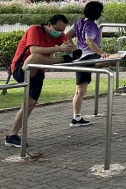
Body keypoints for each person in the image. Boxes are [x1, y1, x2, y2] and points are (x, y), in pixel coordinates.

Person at [5, 14, 74, 147]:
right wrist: (58, 50)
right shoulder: (34, 30)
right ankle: (61, 60)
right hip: (22, 68)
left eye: (62, 30)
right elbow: (34, 50)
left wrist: (70, 46)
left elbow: (69, 46)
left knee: (30, 103)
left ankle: (12, 136)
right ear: (49, 25)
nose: (59, 32)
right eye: (57, 29)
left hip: (39, 72)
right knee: (35, 56)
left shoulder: (59, 35)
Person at [67, 0, 114, 127]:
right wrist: (102, 53)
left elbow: (67, 35)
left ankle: (76, 117)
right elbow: (89, 42)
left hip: (81, 58)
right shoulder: (91, 25)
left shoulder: (79, 21)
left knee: (79, 91)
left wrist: (74, 49)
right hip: (88, 57)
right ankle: (76, 118)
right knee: (112, 59)